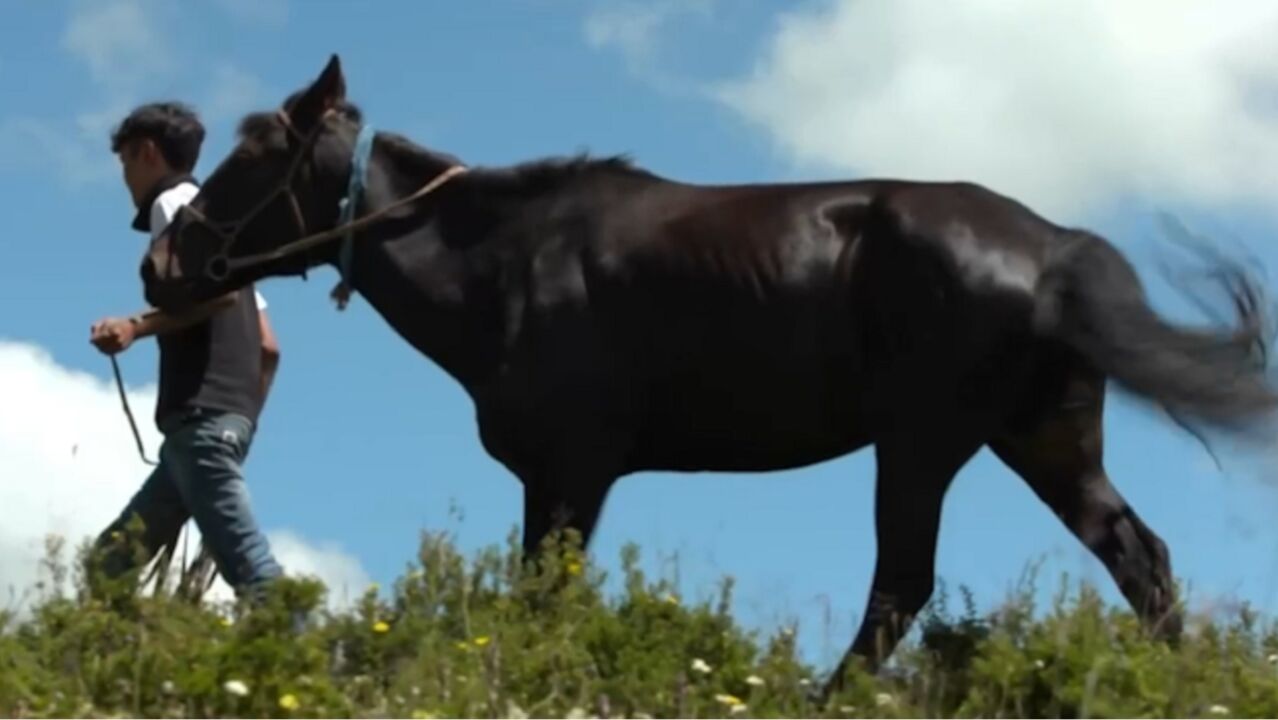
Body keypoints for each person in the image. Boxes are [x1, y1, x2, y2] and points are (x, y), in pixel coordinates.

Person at [88, 101, 284, 604]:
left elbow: (214, 299)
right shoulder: (220, 230)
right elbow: (268, 346)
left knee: (253, 571)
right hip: (212, 429)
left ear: (148, 153)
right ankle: (127, 666)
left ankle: (315, 667)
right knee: (108, 565)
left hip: (200, 424)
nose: (126, 179)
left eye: (126, 163)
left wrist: (134, 326)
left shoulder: (175, 207)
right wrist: (241, 426)